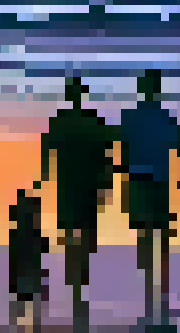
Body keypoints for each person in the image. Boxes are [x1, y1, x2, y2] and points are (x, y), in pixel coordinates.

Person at [117, 68, 180, 329]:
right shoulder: (165, 118)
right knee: (160, 238)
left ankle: (152, 294)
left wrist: (122, 183)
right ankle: (159, 295)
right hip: (158, 184)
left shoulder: (131, 117)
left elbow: (121, 153)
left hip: (140, 183)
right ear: (157, 89)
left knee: (146, 237)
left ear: (142, 89)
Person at [38, 74, 113, 333]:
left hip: (68, 187)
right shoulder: (94, 121)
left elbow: (47, 153)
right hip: (87, 187)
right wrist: (106, 184)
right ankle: (80, 276)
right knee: (85, 234)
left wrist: (44, 179)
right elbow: (108, 156)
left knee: (71, 233)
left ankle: (75, 279)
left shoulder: (60, 121)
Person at [7, 188, 50, 331]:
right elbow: (43, 246)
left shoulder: (19, 230)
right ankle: (27, 325)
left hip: (25, 269)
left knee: (25, 302)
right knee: (29, 302)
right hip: (27, 269)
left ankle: (23, 325)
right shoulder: (30, 229)